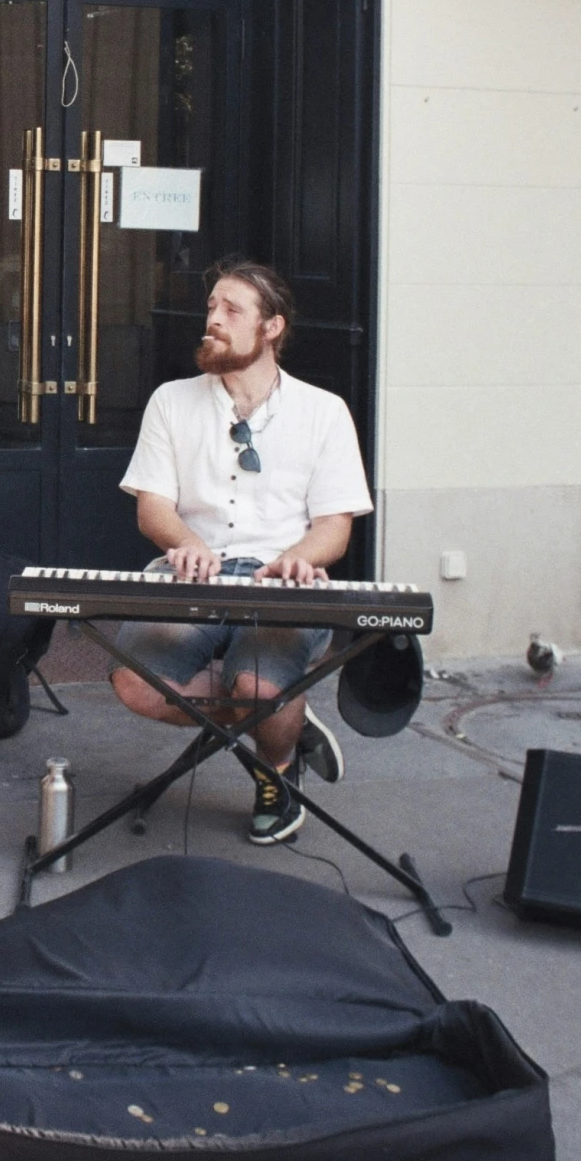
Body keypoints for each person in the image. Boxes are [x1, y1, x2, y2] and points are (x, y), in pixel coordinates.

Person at [112, 257, 373, 845]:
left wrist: (299, 558)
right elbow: (152, 507)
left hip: (280, 582)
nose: (214, 320)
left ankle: (275, 771)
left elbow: (335, 526)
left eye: (232, 310)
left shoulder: (323, 412)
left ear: (271, 328)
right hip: (191, 576)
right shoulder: (171, 402)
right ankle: (287, 724)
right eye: (211, 308)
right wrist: (188, 544)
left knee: (256, 685)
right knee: (137, 684)